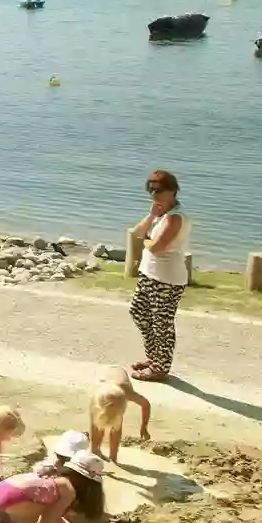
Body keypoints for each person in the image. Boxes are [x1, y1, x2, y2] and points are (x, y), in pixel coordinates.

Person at [126, 168, 188, 380]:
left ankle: (160, 368)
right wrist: (152, 215)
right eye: (151, 191)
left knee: (162, 323)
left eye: (159, 191)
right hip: (149, 274)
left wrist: (146, 241)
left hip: (167, 279)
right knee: (138, 312)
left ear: (172, 191)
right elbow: (136, 231)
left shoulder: (176, 218)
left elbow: (156, 247)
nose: (154, 195)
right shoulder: (160, 214)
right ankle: (154, 358)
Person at [89, 376, 153, 463]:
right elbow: (94, 426)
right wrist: (94, 447)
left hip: (119, 377)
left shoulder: (127, 393)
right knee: (98, 424)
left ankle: (113, 456)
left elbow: (146, 404)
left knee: (116, 428)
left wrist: (144, 427)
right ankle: (95, 450)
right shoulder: (96, 400)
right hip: (105, 381)